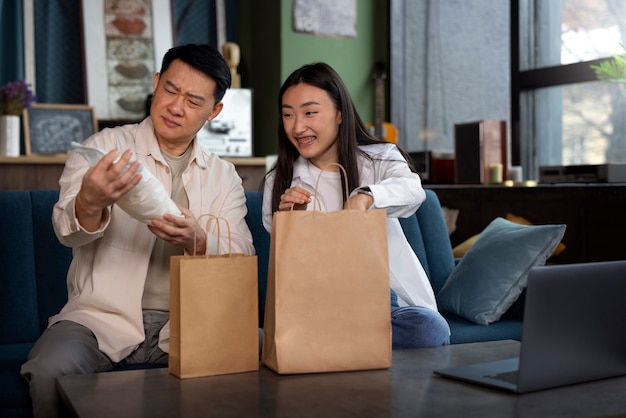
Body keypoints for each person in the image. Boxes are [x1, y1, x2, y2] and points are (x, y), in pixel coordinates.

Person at [21, 44, 255, 418]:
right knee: (48, 371)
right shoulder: (106, 147)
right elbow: (65, 229)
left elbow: (243, 254)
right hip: (98, 319)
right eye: (171, 90)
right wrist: (91, 201)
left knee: (259, 349)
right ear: (156, 82)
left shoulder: (223, 176)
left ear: (215, 112)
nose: (176, 107)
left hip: (189, 323)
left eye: (194, 101)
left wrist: (198, 238)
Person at [262, 62, 450, 349]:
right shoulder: (280, 180)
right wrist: (292, 223)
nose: (298, 127)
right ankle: (345, 346)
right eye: (288, 115)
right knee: (269, 339)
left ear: (339, 113)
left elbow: (413, 191)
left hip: (387, 307)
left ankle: (338, 347)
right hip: (321, 305)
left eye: (310, 112)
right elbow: (291, 270)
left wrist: (365, 197)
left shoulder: (380, 159)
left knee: (430, 330)